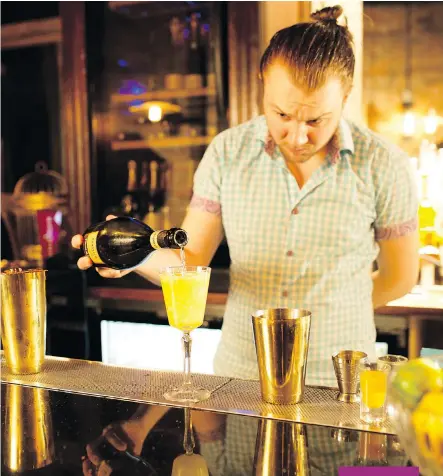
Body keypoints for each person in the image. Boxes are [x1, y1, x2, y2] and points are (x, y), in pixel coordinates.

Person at [72, 5, 419, 387]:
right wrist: (136, 258)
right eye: (282, 114)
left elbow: (401, 276)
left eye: (316, 120)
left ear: (346, 95)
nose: (298, 136)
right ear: (262, 85)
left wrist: (338, 304)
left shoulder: (384, 165)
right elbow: (191, 260)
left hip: (338, 380)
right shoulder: (227, 152)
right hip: (243, 378)